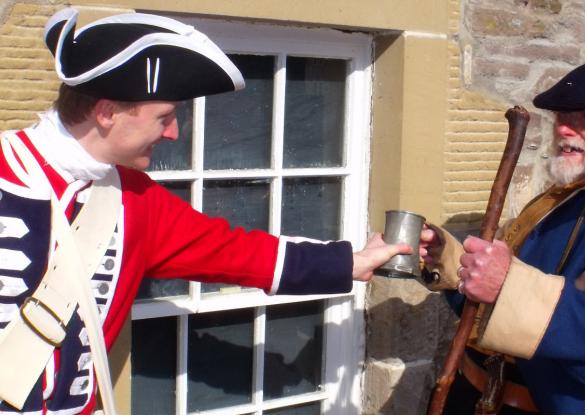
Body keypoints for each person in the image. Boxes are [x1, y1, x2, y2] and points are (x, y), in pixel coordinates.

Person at [0, 8, 409, 414]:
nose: (174, 132)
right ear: (107, 112)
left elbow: (238, 253)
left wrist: (351, 262)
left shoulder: (134, 199)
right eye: (164, 117)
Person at [419, 61, 585, 414]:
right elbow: (496, 306)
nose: (564, 128)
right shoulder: (568, 196)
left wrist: (540, 295)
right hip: (475, 394)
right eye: (561, 117)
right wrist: (449, 258)